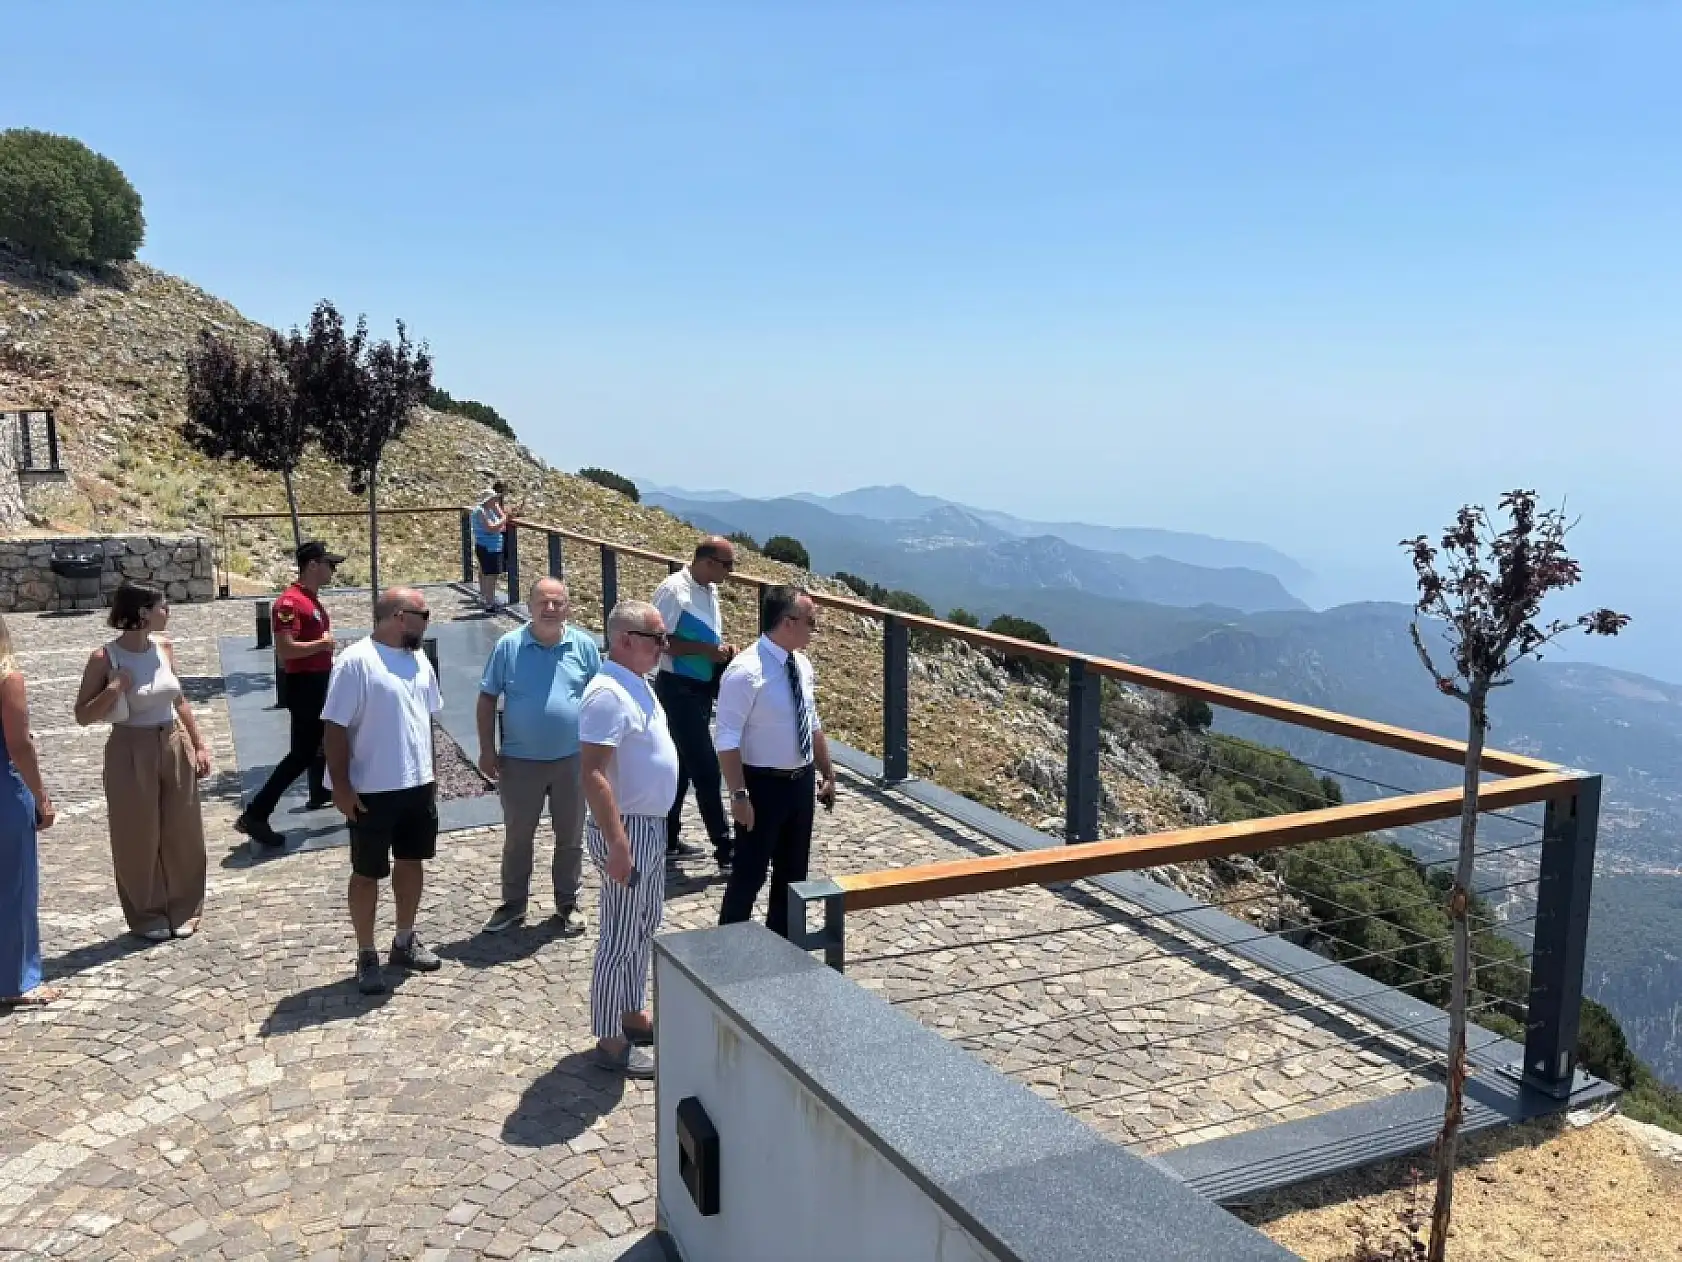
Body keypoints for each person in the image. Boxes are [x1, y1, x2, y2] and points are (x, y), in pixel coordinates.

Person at [322, 587, 445, 995]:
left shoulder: (418, 658)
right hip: (371, 789)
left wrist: (430, 772)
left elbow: (426, 718)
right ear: (398, 616)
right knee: (367, 872)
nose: (427, 621)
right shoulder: (356, 662)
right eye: (423, 614)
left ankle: (404, 940)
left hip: (416, 785)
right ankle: (366, 953)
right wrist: (340, 785)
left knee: (412, 862)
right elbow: (335, 727)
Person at [73, 582, 212, 941]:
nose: (169, 612)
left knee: (182, 829)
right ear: (143, 613)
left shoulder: (164, 648)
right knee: (137, 833)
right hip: (129, 747)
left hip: (171, 740)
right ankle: (146, 913)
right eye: (163, 606)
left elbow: (178, 699)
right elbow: (83, 715)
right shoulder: (104, 658)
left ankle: (184, 906)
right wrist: (115, 688)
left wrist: (198, 744)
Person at [578, 600, 679, 1078]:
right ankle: (610, 1038)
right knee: (619, 934)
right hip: (629, 827)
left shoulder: (635, 684)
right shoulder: (606, 695)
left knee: (643, 926)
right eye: (656, 638)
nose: (664, 646)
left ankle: (633, 1012)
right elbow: (594, 774)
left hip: (649, 825)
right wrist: (618, 843)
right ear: (625, 640)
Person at [476, 576, 600, 935]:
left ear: (568, 608)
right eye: (542, 602)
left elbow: (599, 698)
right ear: (529, 606)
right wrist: (487, 749)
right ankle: (513, 905)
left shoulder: (584, 646)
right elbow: (487, 698)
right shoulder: (508, 646)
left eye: (557, 602)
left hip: (572, 760)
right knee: (518, 837)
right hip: (520, 762)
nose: (550, 608)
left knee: (571, 836)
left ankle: (568, 902)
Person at [715, 585, 836, 939]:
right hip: (761, 785)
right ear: (788, 622)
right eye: (811, 622)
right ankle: (727, 948)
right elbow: (726, 740)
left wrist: (827, 772)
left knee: (793, 874)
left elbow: (811, 722)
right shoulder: (745, 672)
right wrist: (739, 796)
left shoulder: (802, 666)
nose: (815, 629)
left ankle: (782, 943)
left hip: (798, 783)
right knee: (749, 873)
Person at [236, 540, 343, 846]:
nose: (333, 571)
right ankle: (257, 813)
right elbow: (285, 651)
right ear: (313, 565)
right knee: (301, 754)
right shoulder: (289, 604)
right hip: (306, 684)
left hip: (319, 680)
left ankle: (322, 791)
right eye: (329, 565)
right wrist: (322, 646)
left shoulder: (310, 598)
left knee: (324, 740)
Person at [650, 536, 737, 869]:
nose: (730, 572)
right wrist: (706, 652)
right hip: (678, 688)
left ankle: (667, 838)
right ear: (708, 562)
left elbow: (702, 635)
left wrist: (720, 651)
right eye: (727, 565)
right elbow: (660, 640)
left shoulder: (707, 589)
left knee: (682, 766)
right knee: (705, 766)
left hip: (700, 686)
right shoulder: (674, 591)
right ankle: (725, 845)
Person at [1, 614, 60, 1007]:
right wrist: (41, 795)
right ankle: (18, 980)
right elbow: (20, 745)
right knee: (14, 887)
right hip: (4, 790)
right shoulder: (8, 680)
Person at [471, 483, 509, 609]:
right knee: (490, 575)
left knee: (487, 573)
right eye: (494, 499)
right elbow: (491, 528)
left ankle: (487, 598)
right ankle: (489, 602)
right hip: (489, 547)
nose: (496, 501)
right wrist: (504, 519)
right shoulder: (481, 511)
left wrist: (501, 521)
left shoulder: (487, 510)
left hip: (490, 545)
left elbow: (498, 525)